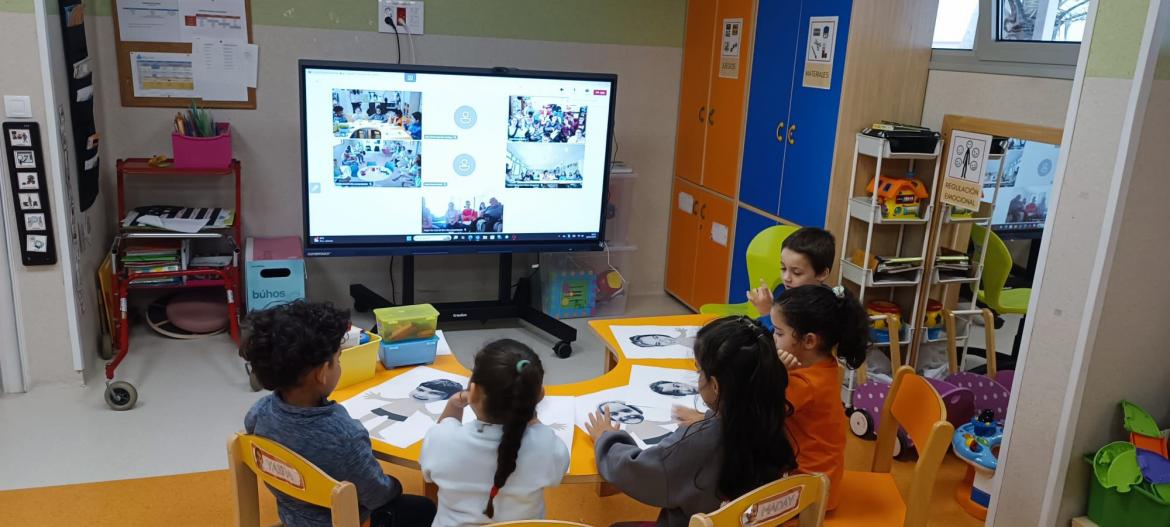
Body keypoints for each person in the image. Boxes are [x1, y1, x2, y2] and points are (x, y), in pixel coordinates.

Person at [587, 316, 797, 526]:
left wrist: (606, 439)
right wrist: (707, 420)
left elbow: (636, 471)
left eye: (699, 370)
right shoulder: (773, 420)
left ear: (715, 386)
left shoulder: (697, 444)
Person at [241, 301, 436, 527]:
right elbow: (378, 495)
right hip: (345, 521)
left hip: (293, 514)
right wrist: (396, 485)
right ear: (323, 373)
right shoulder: (344, 436)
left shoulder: (261, 411)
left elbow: (251, 427)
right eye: (338, 360)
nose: (339, 365)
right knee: (424, 508)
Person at [420, 339, 569, 525]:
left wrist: (453, 404)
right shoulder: (548, 446)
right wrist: (528, 408)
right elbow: (558, 473)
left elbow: (435, 452)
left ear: (472, 393)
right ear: (539, 395)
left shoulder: (442, 440)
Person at [769, 285, 869, 510]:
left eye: (778, 332)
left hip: (809, 494)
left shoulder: (806, 383)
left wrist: (774, 371)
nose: (772, 339)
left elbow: (757, 411)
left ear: (809, 341)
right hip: (820, 480)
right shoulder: (822, 364)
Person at [747, 227, 835, 330]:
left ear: (822, 274)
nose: (786, 278)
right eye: (783, 268)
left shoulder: (820, 312)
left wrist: (767, 312)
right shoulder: (784, 291)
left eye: (797, 273)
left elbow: (782, 343)